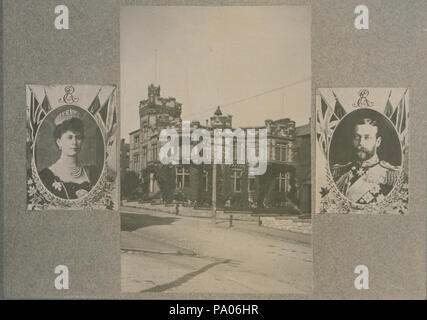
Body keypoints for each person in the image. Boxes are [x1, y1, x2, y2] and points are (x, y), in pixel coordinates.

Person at [331, 117, 400, 204]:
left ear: (378, 142)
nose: (361, 143)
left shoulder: (391, 176)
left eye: (367, 137)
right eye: (357, 137)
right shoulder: (339, 172)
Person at [39, 109, 97, 199]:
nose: (74, 142)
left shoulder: (93, 173)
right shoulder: (46, 176)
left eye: (78, 137)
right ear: (59, 142)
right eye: (69, 137)